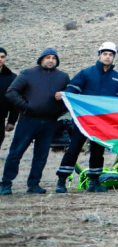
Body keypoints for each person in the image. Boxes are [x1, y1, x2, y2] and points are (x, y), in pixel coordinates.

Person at [55, 42, 118, 194]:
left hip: (102, 123)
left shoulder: (117, 78)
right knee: (74, 148)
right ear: (99, 55)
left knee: (98, 151)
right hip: (83, 120)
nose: (108, 57)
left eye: (111, 54)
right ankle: (61, 181)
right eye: (105, 54)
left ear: (114, 57)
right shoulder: (86, 73)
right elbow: (72, 90)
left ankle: (94, 182)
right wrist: (64, 94)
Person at [0, 48, 70, 195]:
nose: (50, 60)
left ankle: (34, 184)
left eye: (53, 58)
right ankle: (6, 183)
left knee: (41, 155)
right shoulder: (28, 73)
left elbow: (69, 96)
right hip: (28, 120)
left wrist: (59, 110)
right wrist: (26, 107)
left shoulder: (63, 77)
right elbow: (11, 92)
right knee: (16, 152)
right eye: (47, 57)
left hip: (50, 122)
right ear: (41, 59)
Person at [0, 48, 16, 152]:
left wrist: (11, 121)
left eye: (2, 57)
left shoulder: (12, 78)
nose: (0, 59)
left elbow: (14, 101)